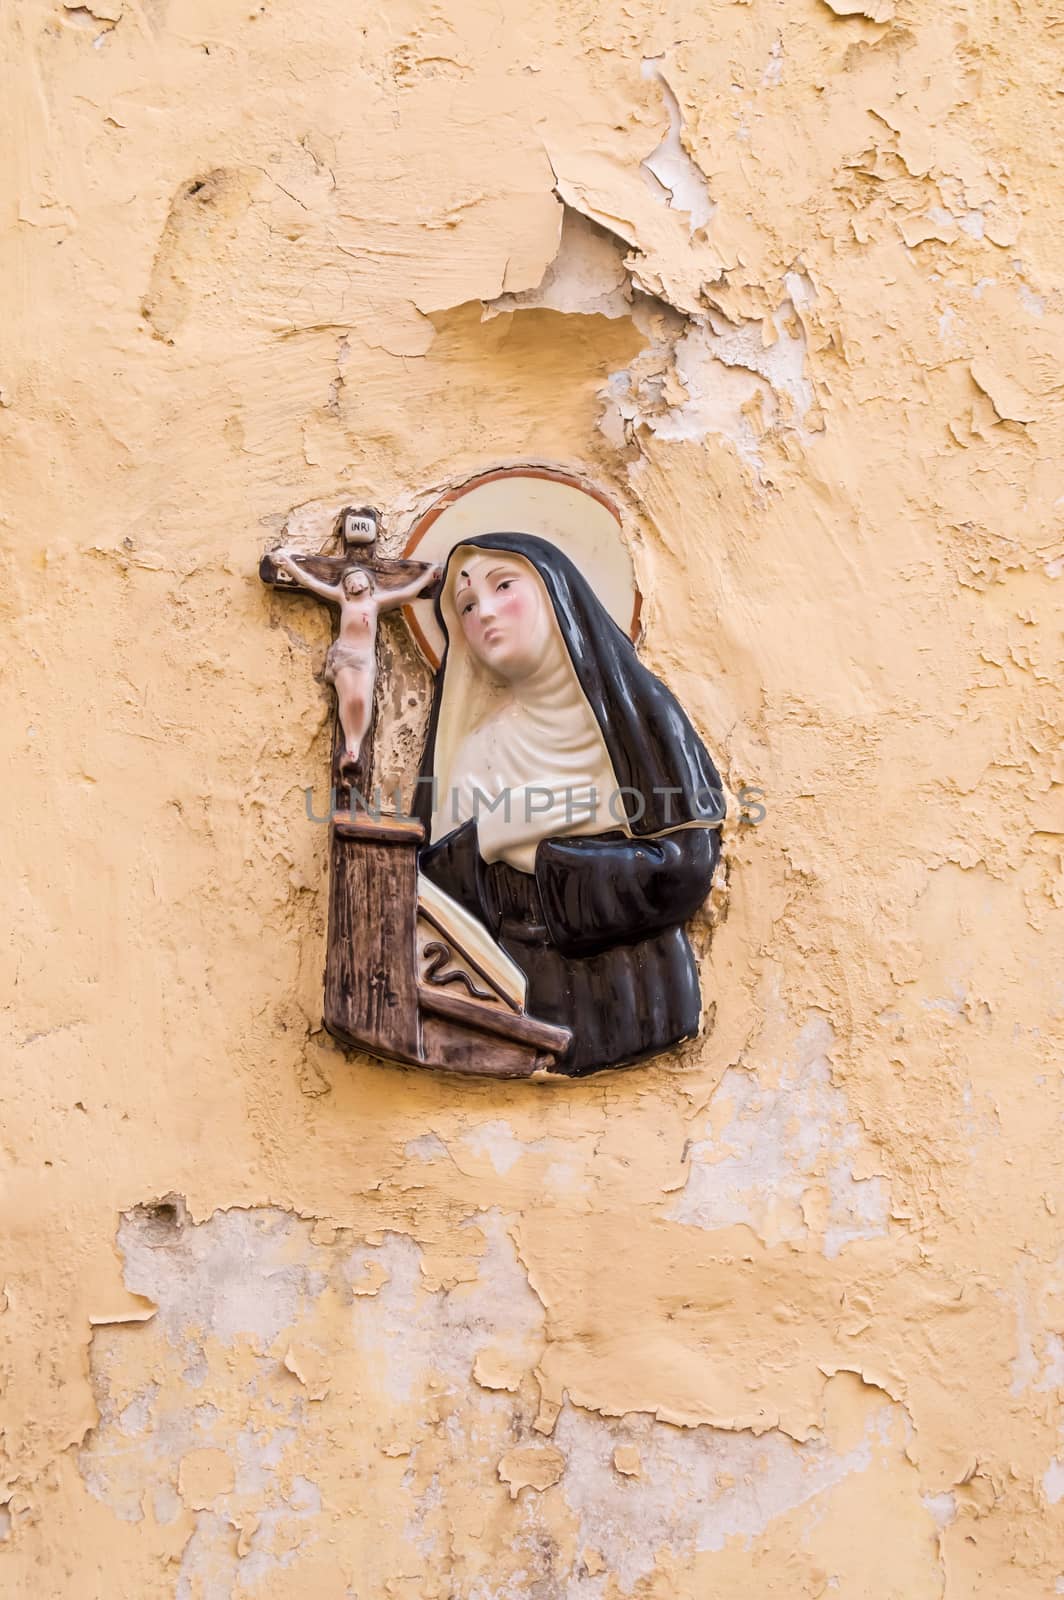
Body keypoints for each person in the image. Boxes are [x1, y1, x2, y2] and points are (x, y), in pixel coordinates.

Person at [413, 534, 725, 1077]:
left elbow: (686, 868)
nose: (482, 611)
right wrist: (490, 834)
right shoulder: (475, 745)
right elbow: (434, 894)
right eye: (465, 605)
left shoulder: (640, 716)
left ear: (557, 595)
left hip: (635, 994)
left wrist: (545, 857)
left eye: (504, 586)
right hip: (515, 995)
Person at [276, 554, 440, 776]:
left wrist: (429, 577)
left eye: (358, 578)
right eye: (349, 581)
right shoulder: (344, 600)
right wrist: (290, 567)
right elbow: (312, 583)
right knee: (349, 698)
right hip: (344, 655)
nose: (354, 583)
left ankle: (354, 745)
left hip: (364, 658)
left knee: (361, 699)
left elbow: (407, 592)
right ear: (345, 588)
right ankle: (350, 747)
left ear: (368, 583)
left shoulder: (375, 603)